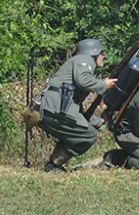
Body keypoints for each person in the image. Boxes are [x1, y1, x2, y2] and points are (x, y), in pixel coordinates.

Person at [38, 38, 117, 172]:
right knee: (89, 136)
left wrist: (100, 121)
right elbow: (83, 81)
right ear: (93, 53)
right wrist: (103, 85)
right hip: (55, 109)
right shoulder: (85, 59)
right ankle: (53, 165)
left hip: (51, 110)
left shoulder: (78, 61)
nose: (104, 56)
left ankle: (54, 164)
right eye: (101, 53)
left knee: (81, 133)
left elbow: (77, 114)